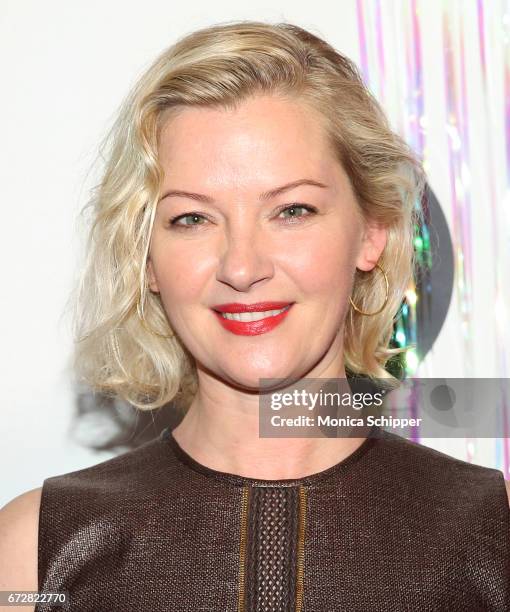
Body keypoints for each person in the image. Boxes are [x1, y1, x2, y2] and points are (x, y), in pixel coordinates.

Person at [1, 20, 509, 612]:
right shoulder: (34, 555)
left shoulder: (493, 537)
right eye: (192, 218)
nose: (241, 268)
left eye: (292, 210)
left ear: (374, 232)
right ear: (146, 260)